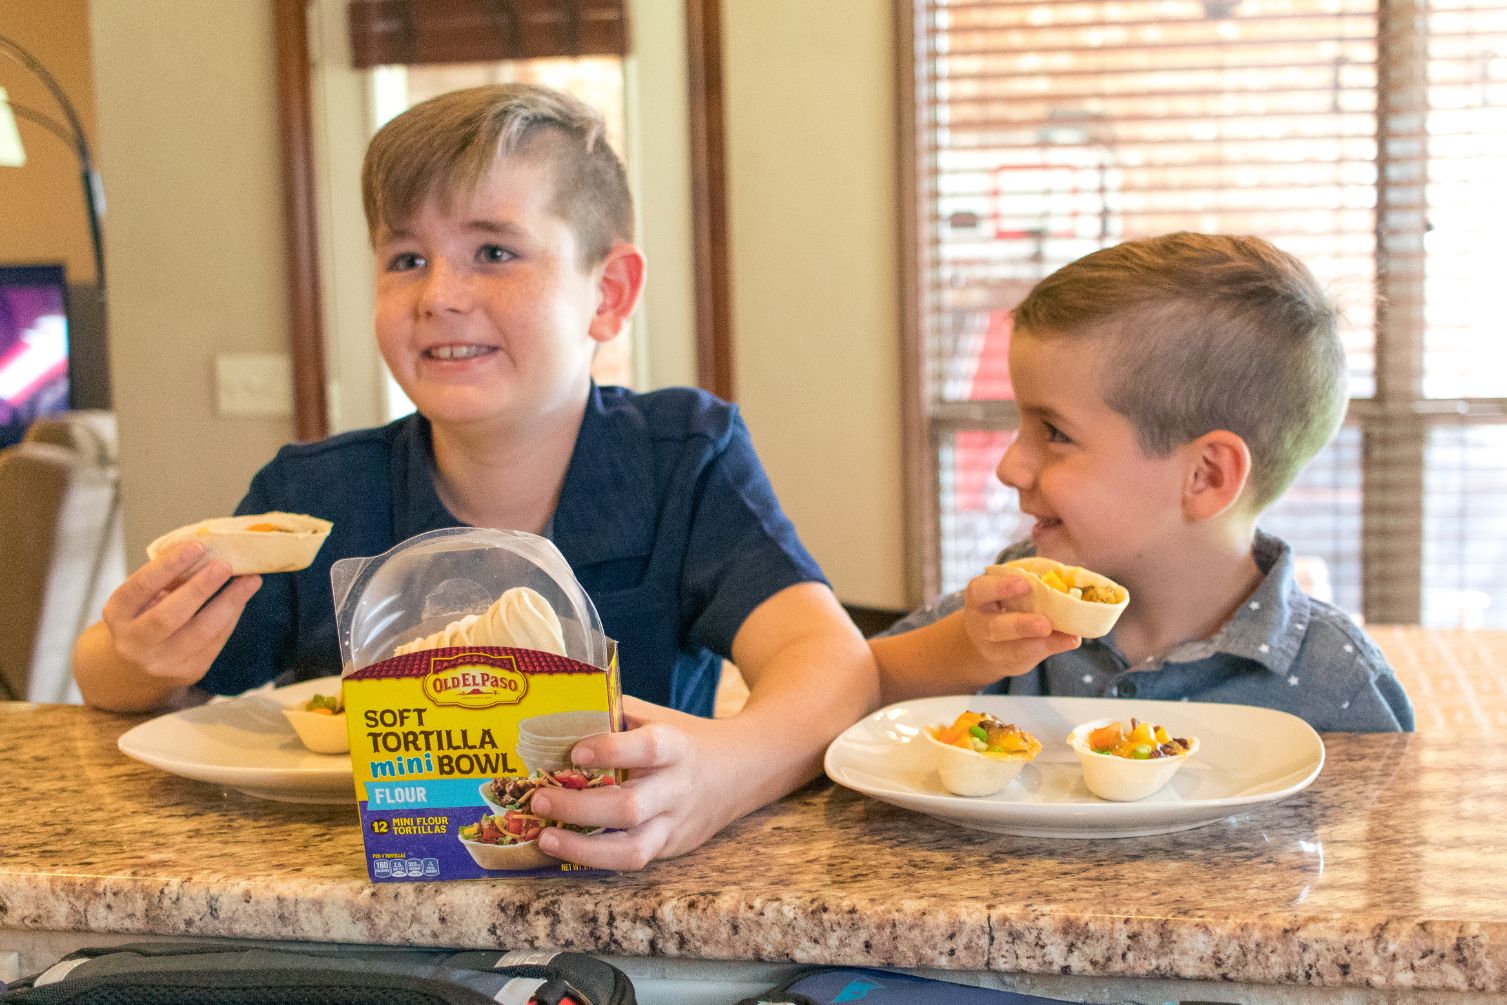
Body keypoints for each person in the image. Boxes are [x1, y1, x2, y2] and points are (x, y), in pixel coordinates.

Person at [74, 83, 878, 866]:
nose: (440, 295)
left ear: (608, 292)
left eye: (494, 251)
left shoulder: (681, 457)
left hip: (618, 898)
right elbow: (116, 678)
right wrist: (138, 652)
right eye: (406, 257)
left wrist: (724, 775)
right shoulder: (314, 494)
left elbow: (831, 662)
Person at [871, 232, 1414, 732]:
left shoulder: (1340, 687)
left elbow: (1380, 836)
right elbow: (843, 693)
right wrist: (961, 652)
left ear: (1206, 476)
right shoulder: (1005, 614)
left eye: (1055, 433)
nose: (1009, 468)